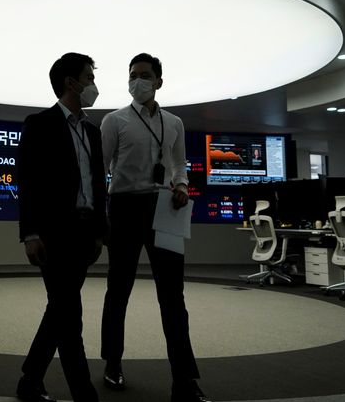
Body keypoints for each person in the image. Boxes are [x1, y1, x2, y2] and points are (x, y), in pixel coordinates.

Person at [100, 53, 211, 402]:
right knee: (118, 291)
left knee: (173, 297)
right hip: (124, 207)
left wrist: (181, 184)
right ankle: (112, 363)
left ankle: (185, 381)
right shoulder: (114, 121)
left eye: (145, 75)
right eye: (133, 75)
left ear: (159, 81)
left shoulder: (174, 122)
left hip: (165, 208)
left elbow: (179, 164)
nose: (137, 81)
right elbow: (100, 168)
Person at [16, 52, 107, 402]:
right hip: (54, 234)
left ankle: (30, 380)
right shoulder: (39, 123)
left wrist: (100, 231)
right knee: (70, 314)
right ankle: (84, 393)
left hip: (85, 233)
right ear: (71, 82)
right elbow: (28, 181)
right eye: (88, 78)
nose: (92, 85)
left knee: (60, 309)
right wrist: (31, 234)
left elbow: (98, 184)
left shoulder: (92, 132)